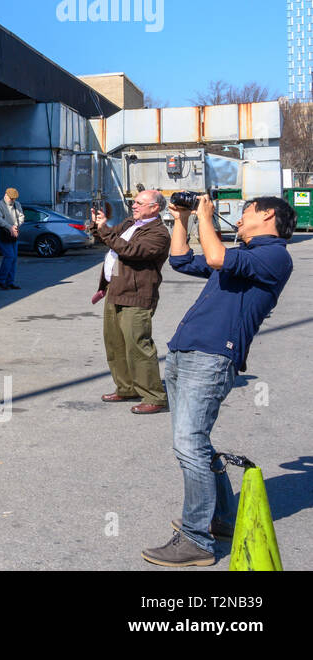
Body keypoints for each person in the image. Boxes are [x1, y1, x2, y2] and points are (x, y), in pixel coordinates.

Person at [141, 194, 295, 567]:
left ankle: (195, 540)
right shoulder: (246, 254)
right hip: (186, 352)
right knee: (195, 442)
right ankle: (222, 518)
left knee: (188, 444)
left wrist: (205, 216)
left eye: (245, 211)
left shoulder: (273, 256)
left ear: (268, 215)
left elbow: (215, 257)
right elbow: (180, 260)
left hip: (212, 358)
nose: (239, 218)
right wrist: (181, 218)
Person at [90, 190, 171, 414]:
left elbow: (131, 251)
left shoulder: (159, 233)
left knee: (138, 347)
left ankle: (154, 396)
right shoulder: (129, 223)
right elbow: (107, 237)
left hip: (136, 295)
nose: (133, 205)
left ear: (155, 207)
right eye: (133, 202)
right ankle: (126, 388)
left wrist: (105, 231)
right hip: (115, 290)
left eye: (139, 203)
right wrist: (99, 225)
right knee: (115, 344)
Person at [0, 187, 25, 289]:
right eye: (11, 198)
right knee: (9, 256)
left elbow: (21, 217)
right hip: (2, 233)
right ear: (6, 195)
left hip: (13, 232)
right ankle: (1, 280)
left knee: (14, 258)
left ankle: (10, 282)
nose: (13, 200)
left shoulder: (17, 204)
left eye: (14, 198)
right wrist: (9, 227)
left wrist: (15, 226)